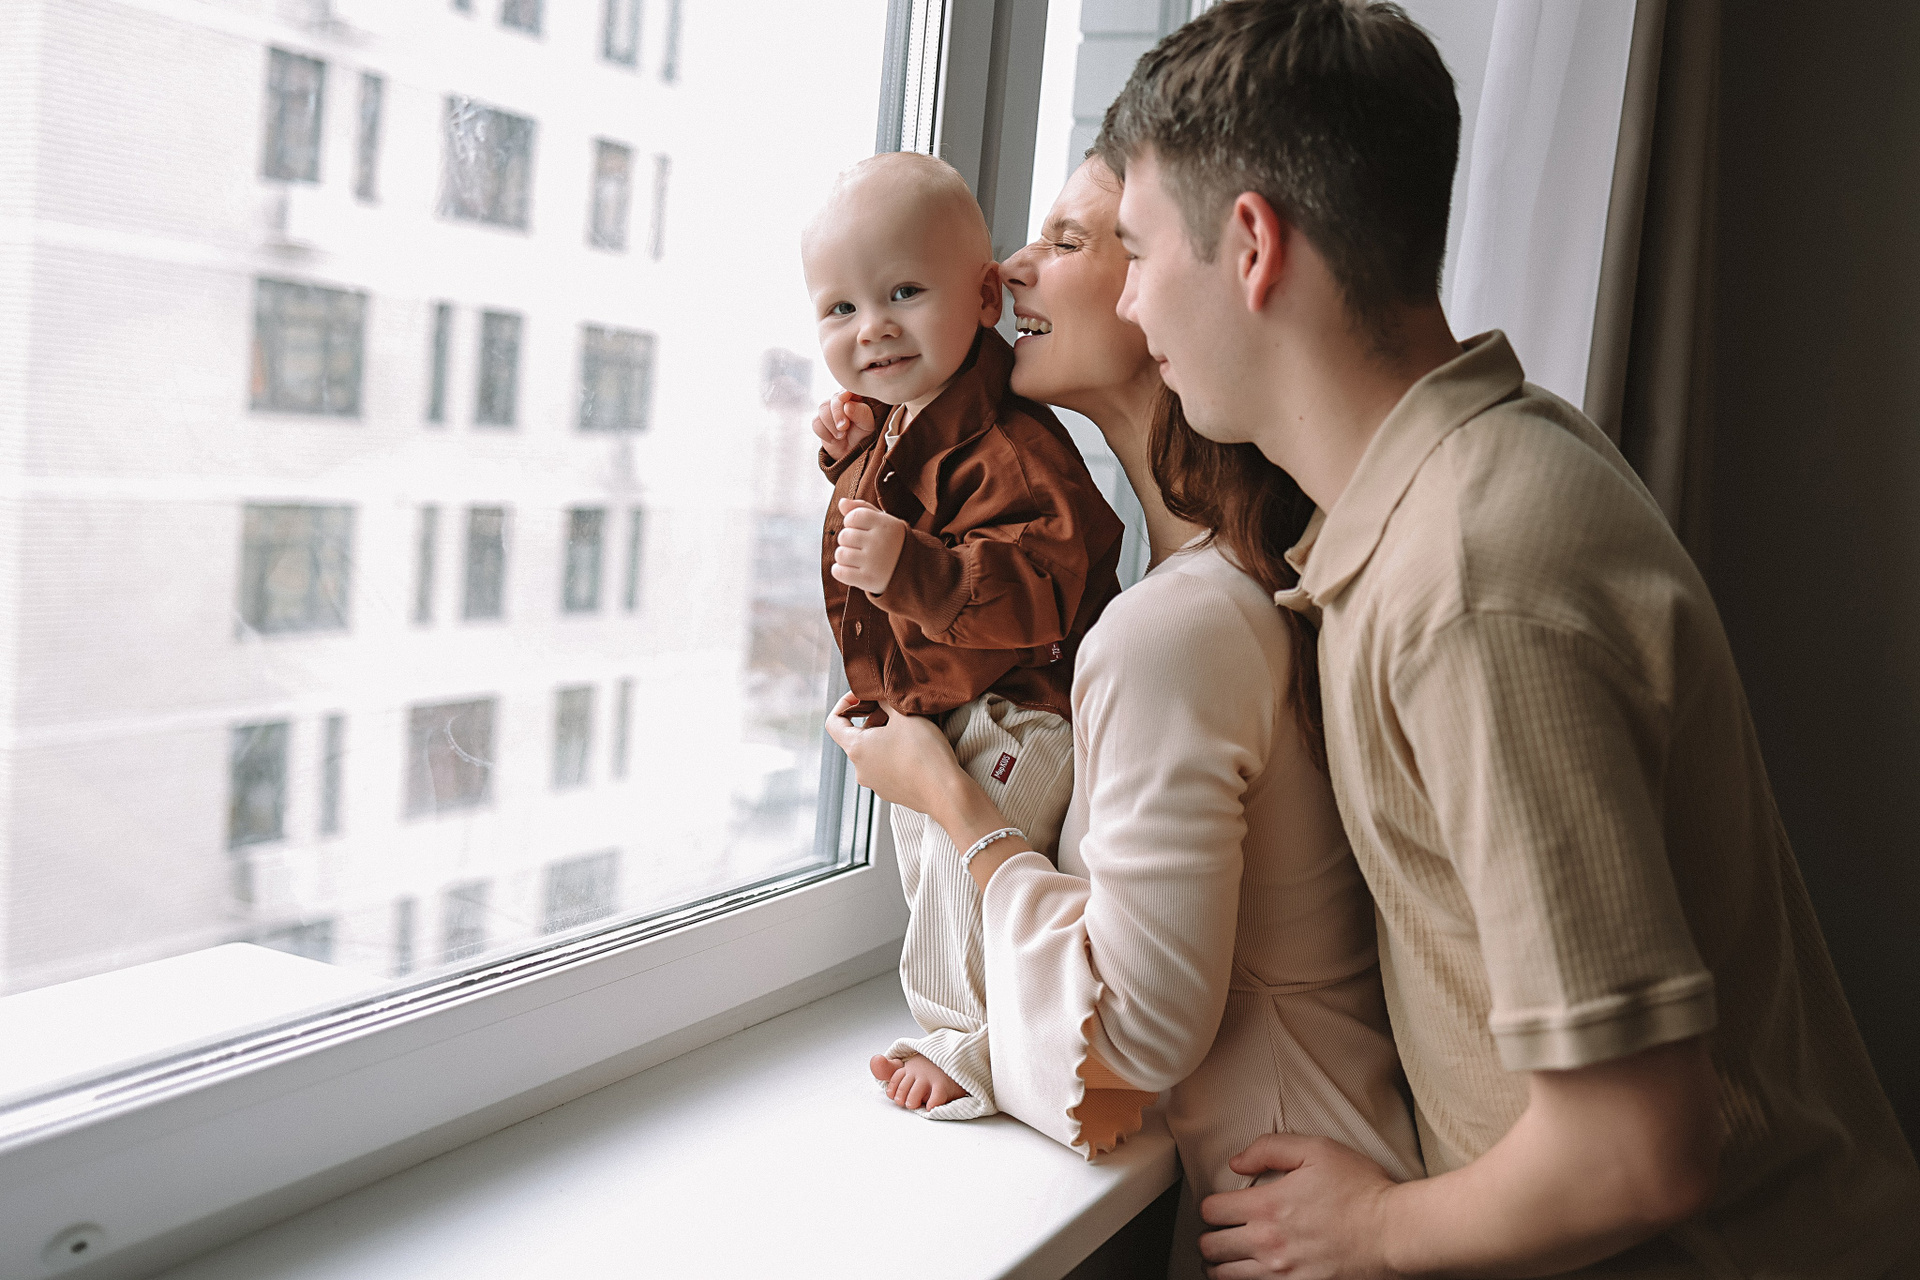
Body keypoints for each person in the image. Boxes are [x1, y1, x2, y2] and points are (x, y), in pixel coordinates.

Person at [1092, 0, 1920, 1275]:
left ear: (1251, 245)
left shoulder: (1472, 575)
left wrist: (1372, 1229)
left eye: (1137, 251)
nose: (1128, 299)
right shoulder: (1460, 481)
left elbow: (1638, 1149)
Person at [824, 154, 1423, 1229]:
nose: (1010, 269)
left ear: (1170, 291)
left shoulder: (1180, 626)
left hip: (1294, 1213)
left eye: (1067, 241)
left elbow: (1132, 1031)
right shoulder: (1212, 575)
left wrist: (948, 796)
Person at [803, 151, 1124, 1121]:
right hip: (950, 702)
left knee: (963, 861)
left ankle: (972, 1043)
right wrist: (850, 456)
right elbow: (896, 514)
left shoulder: (1012, 444)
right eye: (841, 308)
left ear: (985, 297)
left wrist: (915, 570)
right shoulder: (905, 420)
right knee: (927, 859)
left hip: (1024, 709)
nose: (873, 326)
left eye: (903, 292)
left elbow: (1038, 584)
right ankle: (966, 1023)